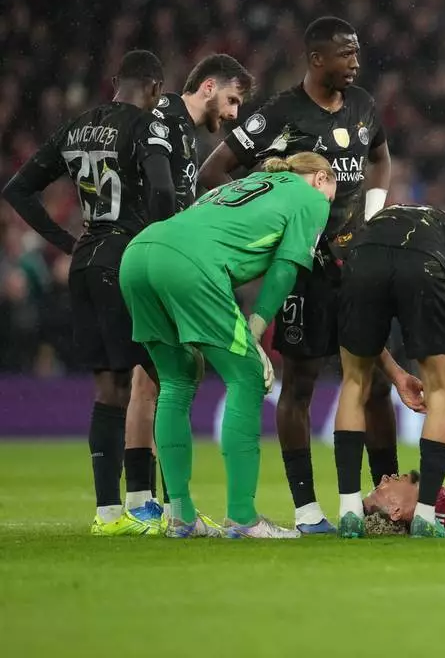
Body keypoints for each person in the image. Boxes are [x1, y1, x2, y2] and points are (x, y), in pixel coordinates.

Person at [198, 17, 395, 534]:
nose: (355, 63)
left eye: (357, 52)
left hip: (356, 266)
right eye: (346, 54)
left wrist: (372, 215)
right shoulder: (280, 114)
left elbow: (379, 157)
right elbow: (213, 171)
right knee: (300, 384)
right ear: (316, 59)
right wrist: (262, 214)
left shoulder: (362, 105)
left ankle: (387, 498)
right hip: (303, 269)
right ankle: (307, 510)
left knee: (376, 385)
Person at [2, 50, 177, 536]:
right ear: (155, 89)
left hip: (85, 263)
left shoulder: (77, 127)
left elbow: (17, 189)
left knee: (110, 388)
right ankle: (159, 506)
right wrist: (162, 245)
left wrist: (66, 242)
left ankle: (108, 514)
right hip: (127, 258)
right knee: (165, 377)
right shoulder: (147, 125)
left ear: (116, 81)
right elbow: (163, 191)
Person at [119, 152, 335, 538]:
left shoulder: (244, 185)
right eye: (332, 193)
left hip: (138, 254)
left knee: (177, 379)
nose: (330, 204)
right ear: (321, 179)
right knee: (248, 376)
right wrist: (256, 327)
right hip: (188, 263)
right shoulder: (311, 198)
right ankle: (242, 518)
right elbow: (286, 268)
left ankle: (181, 517)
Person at [124, 53, 255, 525]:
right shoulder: (162, 119)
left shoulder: (182, 130)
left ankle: (168, 506)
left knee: (160, 380)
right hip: (155, 259)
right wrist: (170, 246)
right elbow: (155, 192)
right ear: (208, 87)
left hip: (154, 258)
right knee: (149, 381)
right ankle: (141, 503)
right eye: (232, 100)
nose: (234, 113)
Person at [333, 204, 445, 538]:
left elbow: (363, 337)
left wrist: (396, 375)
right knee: (439, 392)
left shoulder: (385, 221)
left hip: (365, 255)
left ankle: (349, 512)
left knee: (354, 383)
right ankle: (424, 517)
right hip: (425, 264)